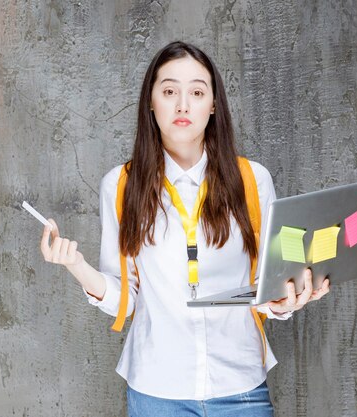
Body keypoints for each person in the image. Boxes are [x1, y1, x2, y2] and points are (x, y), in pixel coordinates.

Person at [40, 41, 330, 416]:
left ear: (213, 105)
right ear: (151, 102)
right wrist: (76, 266)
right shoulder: (120, 185)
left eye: (196, 92)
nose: (182, 105)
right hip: (156, 392)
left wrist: (286, 301)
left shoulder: (252, 180)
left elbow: (265, 286)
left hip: (240, 388)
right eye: (169, 91)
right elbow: (123, 297)